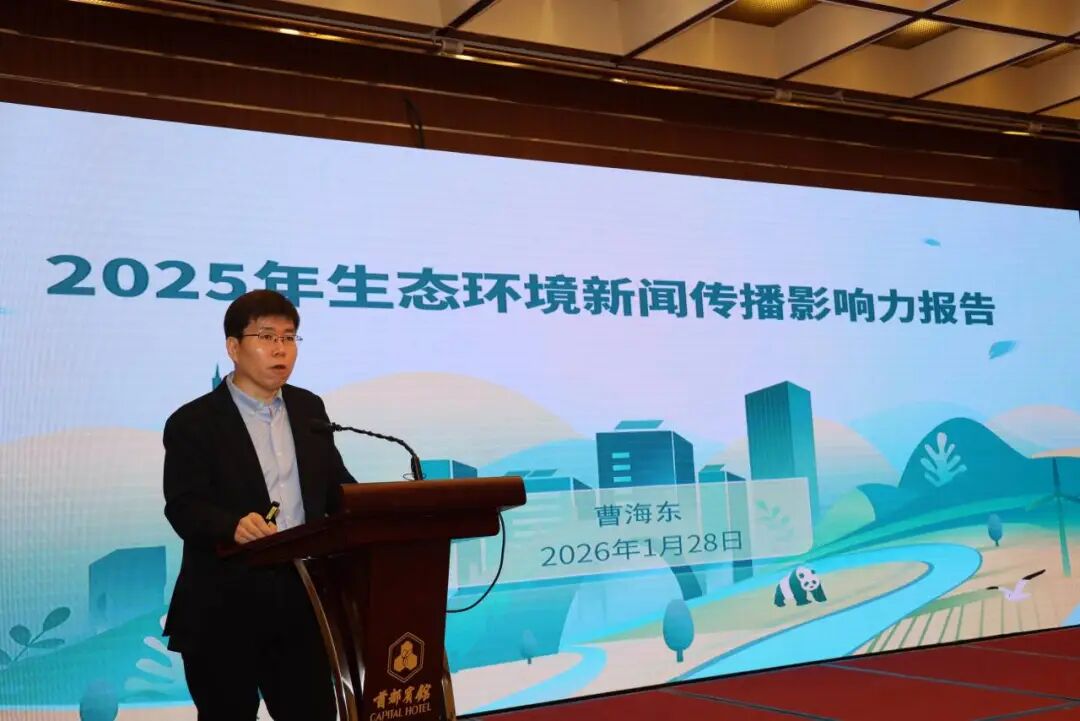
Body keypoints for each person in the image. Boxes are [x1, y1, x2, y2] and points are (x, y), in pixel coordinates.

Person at [161, 289, 355, 720]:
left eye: (289, 337)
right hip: (224, 603)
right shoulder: (193, 422)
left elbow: (334, 486)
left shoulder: (308, 408)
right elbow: (184, 505)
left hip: (303, 598)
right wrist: (231, 526)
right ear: (234, 347)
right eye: (266, 337)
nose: (280, 349)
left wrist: (378, 508)